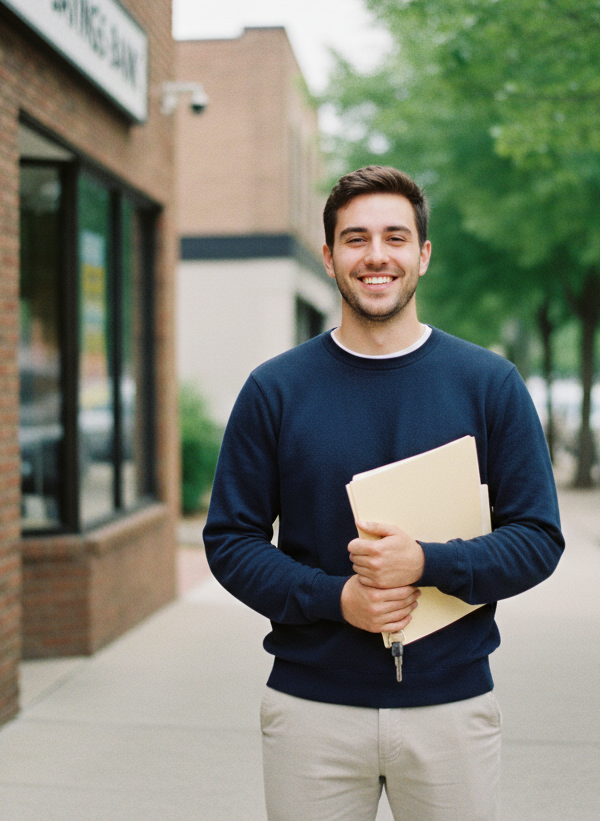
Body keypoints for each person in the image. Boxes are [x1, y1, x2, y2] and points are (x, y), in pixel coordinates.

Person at [204, 165, 563, 821]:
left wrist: (429, 563)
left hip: (451, 708)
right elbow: (230, 542)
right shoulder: (275, 390)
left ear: (422, 255)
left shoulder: (489, 384)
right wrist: (336, 598)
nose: (376, 256)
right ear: (328, 257)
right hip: (312, 712)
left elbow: (537, 539)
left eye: (395, 238)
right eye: (355, 238)